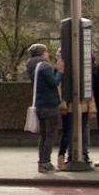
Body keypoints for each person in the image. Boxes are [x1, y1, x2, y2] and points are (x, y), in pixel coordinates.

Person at [26, 43, 64, 173]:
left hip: (39, 105)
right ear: (42, 54)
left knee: (43, 135)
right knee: (51, 135)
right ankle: (46, 162)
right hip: (50, 105)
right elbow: (53, 82)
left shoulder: (32, 67)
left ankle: (41, 162)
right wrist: (60, 72)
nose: (49, 54)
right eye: (47, 52)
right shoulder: (45, 66)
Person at [58, 56, 91, 167]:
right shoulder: (62, 72)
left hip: (81, 105)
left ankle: (82, 153)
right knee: (69, 131)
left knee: (81, 131)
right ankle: (70, 154)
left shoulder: (85, 71)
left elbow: (89, 89)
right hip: (72, 106)